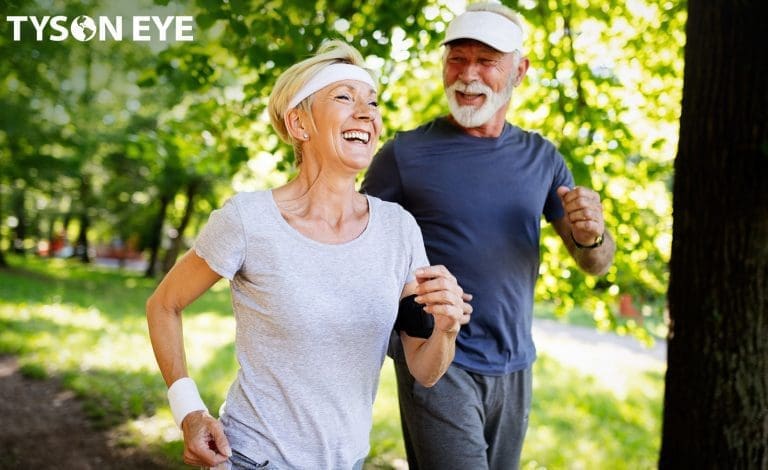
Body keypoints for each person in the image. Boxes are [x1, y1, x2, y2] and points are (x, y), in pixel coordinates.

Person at [146, 40, 470, 470]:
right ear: (299, 123)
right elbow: (163, 305)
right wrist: (188, 411)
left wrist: (445, 330)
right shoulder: (248, 220)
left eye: (372, 102)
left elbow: (424, 369)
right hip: (249, 459)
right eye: (344, 98)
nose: (366, 113)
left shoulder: (399, 230)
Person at [361, 3, 616, 469]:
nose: (468, 74)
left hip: (515, 364)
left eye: (486, 61)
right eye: (457, 59)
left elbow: (594, 263)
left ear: (519, 70)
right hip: (438, 359)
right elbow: (354, 248)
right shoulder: (405, 154)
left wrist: (593, 236)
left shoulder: (543, 158)